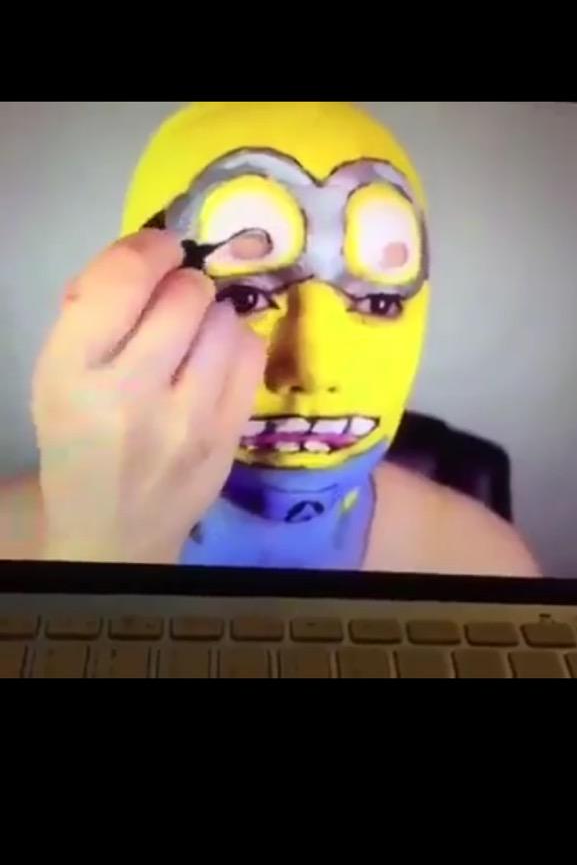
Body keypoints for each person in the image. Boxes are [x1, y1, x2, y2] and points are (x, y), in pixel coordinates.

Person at [0, 102, 539, 575]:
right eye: (243, 297)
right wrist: (102, 558)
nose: (313, 372)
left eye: (379, 302)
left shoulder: (483, 564)